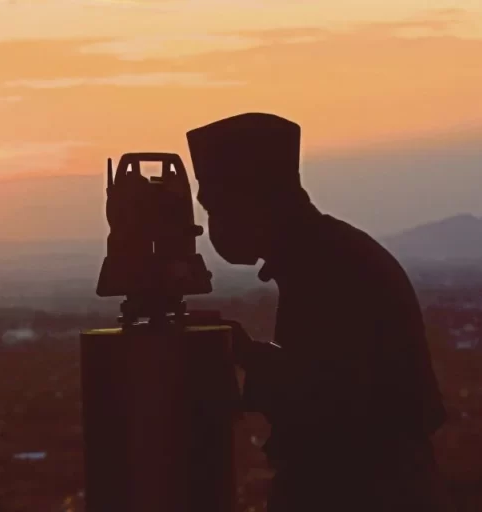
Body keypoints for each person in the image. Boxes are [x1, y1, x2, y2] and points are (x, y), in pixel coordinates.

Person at [186, 113, 448, 512]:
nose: (211, 226)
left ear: (253, 199)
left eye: (215, 207)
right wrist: (246, 352)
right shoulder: (328, 255)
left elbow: (333, 407)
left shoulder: (330, 269)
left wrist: (249, 357)